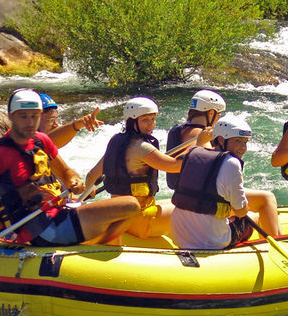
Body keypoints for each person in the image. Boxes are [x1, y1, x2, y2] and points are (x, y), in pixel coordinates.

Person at [0, 89, 140, 266]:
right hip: (41, 229)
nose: (30, 123)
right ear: (11, 117)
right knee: (130, 205)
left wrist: (73, 180)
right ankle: (90, 251)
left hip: (60, 213)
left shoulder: (41, 140)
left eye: (35, 116)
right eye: (24, 117)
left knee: (126, 210)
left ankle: (93, 252)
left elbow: (66, 172)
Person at [84, 98, 211, 238]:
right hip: (140, 221)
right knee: (194, 206)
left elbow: (91, 175)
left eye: (153, 119)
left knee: (172, 200)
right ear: (132, 121)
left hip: (119, 217)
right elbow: (175, 166)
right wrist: (199, 144)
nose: (151, 124)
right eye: (145, 120)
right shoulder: (141, 147)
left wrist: (90, 189)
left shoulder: (116, 143)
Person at [169, 114, 280, 251]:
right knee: (252, 217)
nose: (243, 148)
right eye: (238, 141)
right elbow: (240, 212)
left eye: (245, 142)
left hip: (179, 237)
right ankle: (272, 248)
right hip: (212, 241)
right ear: (221, 140)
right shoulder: (231, 163)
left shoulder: (193, 153)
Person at [164, 89, 226, 190]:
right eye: (218, 114)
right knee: (262, 197)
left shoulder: (181, 130)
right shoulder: (200, 134)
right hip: (196, 194)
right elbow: (212, 168)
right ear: (211, 113)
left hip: (181, 189)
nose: (219, 118)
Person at [37, 92, 103, 149]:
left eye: (56, 119)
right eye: (51, 120)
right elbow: (44, 143)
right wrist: (80, 123)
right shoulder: (32, 147)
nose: (56, 124)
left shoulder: (50, 151)